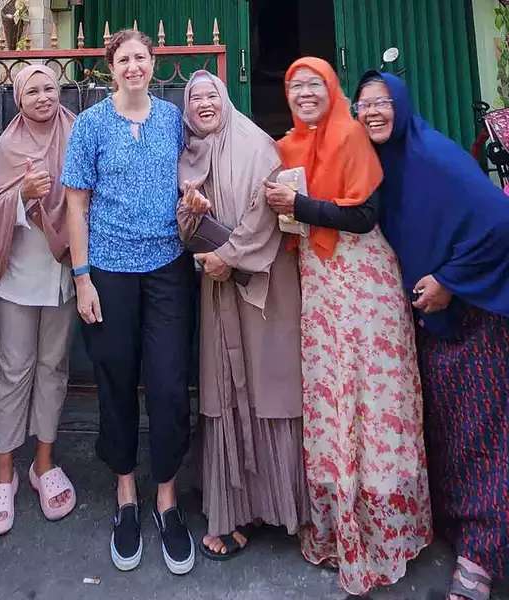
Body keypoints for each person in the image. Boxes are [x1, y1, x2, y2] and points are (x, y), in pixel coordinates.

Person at [264, 57, 432, 595]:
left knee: (374, 404)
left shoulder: (352, 135)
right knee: (332, 401)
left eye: (315, 84)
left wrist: (302, 206)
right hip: (318, 286)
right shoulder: (285, 147)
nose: (306, 94)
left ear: (332, 88)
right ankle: (340, 529)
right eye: (296, 87)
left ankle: (385, 533)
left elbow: (363, 216)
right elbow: (290, 218)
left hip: (365, 286)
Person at [354, 71, 509, 600]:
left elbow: (500, 223)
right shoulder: (384, 165)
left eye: (382, 103)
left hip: (472, 317)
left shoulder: (435, 158)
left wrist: (448, 281)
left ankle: (481, 557)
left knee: (480, 432)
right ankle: (460, 524)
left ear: (401, 105)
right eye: (363, 105)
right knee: (443, 427)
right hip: (431, 320)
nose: (372, 112)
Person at [61, 29, 196, 575]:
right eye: (124, 59)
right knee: (115, 378)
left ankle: (166, 497)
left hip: (167, 269)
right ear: (110, 67)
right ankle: (124, 495)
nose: (134, 66)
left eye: (141, 57)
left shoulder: (171, 120)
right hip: (109, 272)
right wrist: (82, 278)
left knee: (167, 383)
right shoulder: (91, 123)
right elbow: (75, 204)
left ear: (153, 63)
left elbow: (201, 168)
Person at [176, 70, 309, 561]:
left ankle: (285, 505)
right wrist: (193, 213)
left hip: (265, 289)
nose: (204, 104)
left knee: (268, 387)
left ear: (226, 99)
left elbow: (267, 213)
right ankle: (236, 508)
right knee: (226, 389)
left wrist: (228, 254)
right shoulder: (188, 155)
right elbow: (184, 226)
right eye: (195, 98)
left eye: (212, 95)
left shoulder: (257, 144)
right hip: (217, 289)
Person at [0, 64, 77, 536]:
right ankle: (3, 472)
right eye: (32, 90)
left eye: (50, 88)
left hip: (63, 274)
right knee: (14, 369)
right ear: (18, 98)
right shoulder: (8, 145)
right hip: (17, 276)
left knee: (53, 367)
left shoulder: (76, 131)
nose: (43, 96)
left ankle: (43, 462)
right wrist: (22, 193)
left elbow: (91, 192)